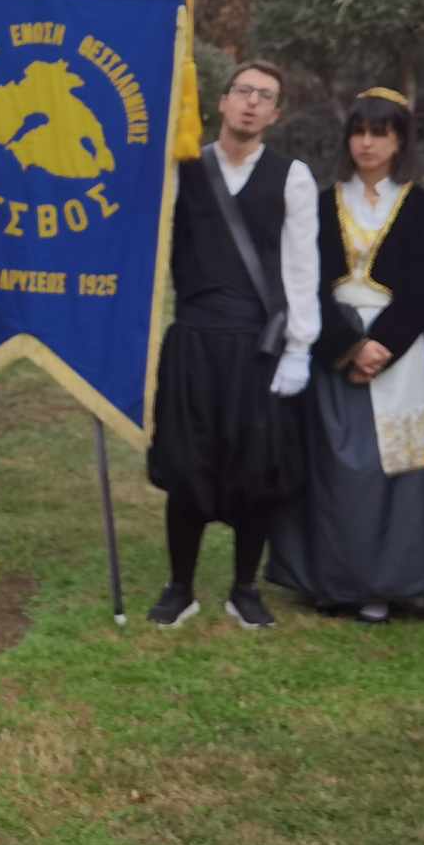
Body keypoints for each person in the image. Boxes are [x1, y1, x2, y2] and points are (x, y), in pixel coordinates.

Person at [146, 62, 321, 631]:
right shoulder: (183, 167)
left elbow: (302, 266)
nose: (251, 102)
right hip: (194, 338)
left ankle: (245, 589)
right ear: (222, 101)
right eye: (243, 91)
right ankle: (180, 587)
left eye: (264, 96)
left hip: (258, 345)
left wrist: (299, 347)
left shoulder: (292, 177)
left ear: (276, 114)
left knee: (256, 468)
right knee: (186, 463)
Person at [268, 89, 424, 623]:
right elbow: (306, 278)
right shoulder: (323, 203)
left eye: (380, 134)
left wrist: (381, 346)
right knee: (333, 466)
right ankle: (329, 578)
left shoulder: (421, 206)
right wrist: (347, 346)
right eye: (359, 132)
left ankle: (383, 582)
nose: (367, 144)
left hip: (397, 349)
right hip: (334, 343)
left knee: (391, 468)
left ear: (400, 141)